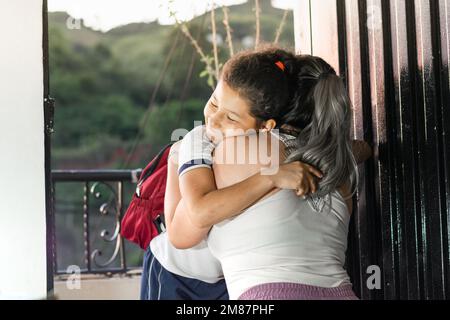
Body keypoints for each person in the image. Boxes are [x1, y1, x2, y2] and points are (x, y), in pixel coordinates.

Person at [168, 46, 370, 299]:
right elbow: (364, 149)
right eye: (214, 103)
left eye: (231, 117)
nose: (214, 121)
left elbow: (180, 234)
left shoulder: (229, 150)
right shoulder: (338, 163)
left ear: (268, 119)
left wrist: (181, 156)